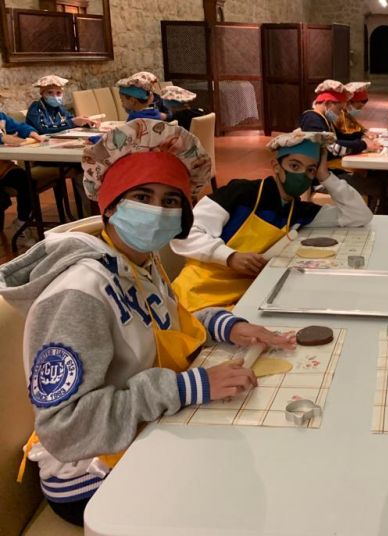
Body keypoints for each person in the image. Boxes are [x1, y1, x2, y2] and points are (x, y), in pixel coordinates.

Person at [0, 119, 295, 527]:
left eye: (171, 200)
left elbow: (164, 323)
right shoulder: (78, 294)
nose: (158, 211)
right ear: (110, 204)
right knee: (252, 494)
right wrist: (187, 387)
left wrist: (227, 326)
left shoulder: (139, 261)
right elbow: (67, 429)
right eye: (142, 196)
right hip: (90, 475)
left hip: (143, 429)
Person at [170, 130, 373, 312]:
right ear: (276, 166)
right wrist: (230, 257)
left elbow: (359, 215)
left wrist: (325, 176)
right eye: (294, 166)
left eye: (310, 170)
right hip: (193, 300)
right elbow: (184, 235)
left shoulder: (297, 212)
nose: (302, 175)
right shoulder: (240, 193)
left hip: (243, 301)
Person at [333, 81, 388, 214]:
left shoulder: (342, 113)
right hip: (339, 165)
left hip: (346, 155)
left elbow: (356, 130)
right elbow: (344, 139)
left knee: (387, 172)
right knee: (382, 177)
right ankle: (386, 209)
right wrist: (364, 143)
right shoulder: (334, 117)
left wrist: (364, 135)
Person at [1, 112, 43, 246]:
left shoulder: (1, 116)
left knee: (27, 182)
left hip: (3, 167)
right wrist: (2, 138)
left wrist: (32, 133)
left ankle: (22, 223)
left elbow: (19, 127)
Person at [25, 75, 96, 135]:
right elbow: (45, 128)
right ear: (42, 94)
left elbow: (70, 119)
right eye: (50, 92)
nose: (55, 96)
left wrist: (85, 122)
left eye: (58, 93)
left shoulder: (59, 107)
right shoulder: (36, 107)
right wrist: (73, 122)